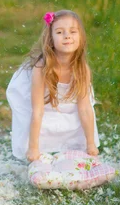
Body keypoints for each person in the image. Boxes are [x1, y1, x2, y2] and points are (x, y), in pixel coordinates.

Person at [6, 10, 99, 162]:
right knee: (41, 124)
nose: (67, 36)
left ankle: (71, 150)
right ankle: (40, 149)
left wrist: (91, 144)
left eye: (73, 32)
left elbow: (85, 108)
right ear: (51, 39)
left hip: (67, 103)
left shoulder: (82, 68)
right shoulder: (42, 67)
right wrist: (33, 148)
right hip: (41, 103)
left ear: (81, 37)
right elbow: (37, 110)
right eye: (60, 32)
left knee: (77, 120)